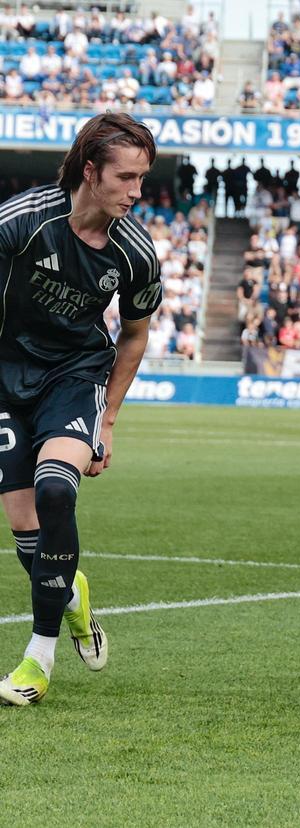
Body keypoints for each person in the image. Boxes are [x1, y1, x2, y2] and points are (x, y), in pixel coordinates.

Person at [0, 112, 162, 706]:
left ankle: (37, 659)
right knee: (25, 529)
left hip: (75, 376)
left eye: (143, 178)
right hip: (6, 376)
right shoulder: (21, 223)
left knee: (56, 492)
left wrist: (108, 421)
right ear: (90, 172)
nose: (137, 191)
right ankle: (73, 597)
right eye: (126, 177)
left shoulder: (135, 252)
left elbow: (135, 335)